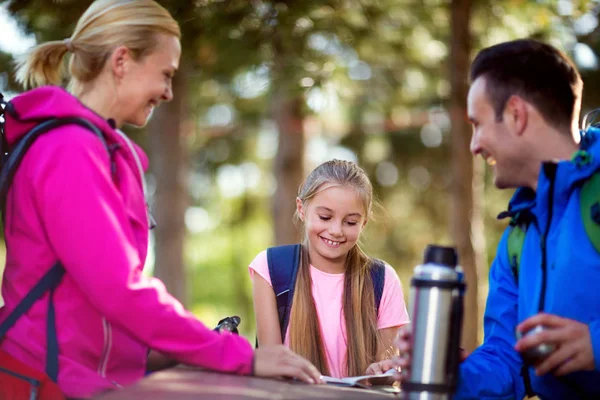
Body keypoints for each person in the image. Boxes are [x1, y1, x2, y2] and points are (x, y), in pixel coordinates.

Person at [0, 1, 321, 398]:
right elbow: (118, 287)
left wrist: (174, 349)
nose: (169, 92)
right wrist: (238, 355)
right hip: (43, 382)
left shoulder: (95, 149)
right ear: (122, 61)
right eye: (165, 74)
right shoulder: (69, 149)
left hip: (75, 379)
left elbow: (92, 301)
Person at [395, 39, 600, 399]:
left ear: (517, 115)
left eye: (478, 124)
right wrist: (448, 375)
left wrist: (594, 344)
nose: (474, 145)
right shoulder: (519, 234)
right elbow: (507, 361)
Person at [249, 159, 410, 379]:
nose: (336, 230)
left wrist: (381, 372)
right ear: (301, 209)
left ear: (363, 223)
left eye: (350, 222)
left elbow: (388, 370)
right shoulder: (270, 267)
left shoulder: (383, 279)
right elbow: (271, 368)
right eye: (325, 217)